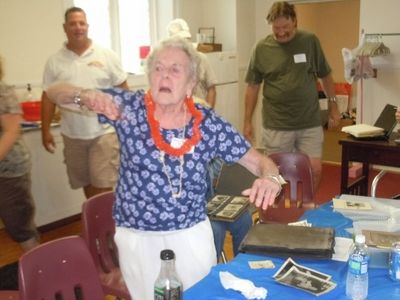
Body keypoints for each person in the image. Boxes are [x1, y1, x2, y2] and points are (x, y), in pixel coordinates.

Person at [46, 37, 283, 300]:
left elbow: (260, 162)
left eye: (174, 69)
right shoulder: (129, 109)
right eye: (158, 68)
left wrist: (271, 177)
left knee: (198, 296)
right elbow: (54, 91)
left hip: (190, 235)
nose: (164, 76)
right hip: (137, 238)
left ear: (191, 83)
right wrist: (83, 95)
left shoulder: (207, 125)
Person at [167, 18, 253, 261]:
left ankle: (241, 270)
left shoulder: (206, 129)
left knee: (243, 217)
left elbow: (247, 159)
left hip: (206, 203)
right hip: (183, 216)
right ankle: (211, 277)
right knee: (213, 229)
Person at [243, 1, 341, 191]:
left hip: (309, 120)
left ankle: (307, 205)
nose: (280, 32)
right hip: (277, 123)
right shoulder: (261, 48)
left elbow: (325, 75)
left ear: (295, 22)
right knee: (278, 172)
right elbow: (252, 86)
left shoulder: (310, 41)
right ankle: (282, 212)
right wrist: (247, 121)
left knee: (314, 169)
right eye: (276, 28)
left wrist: (333, 105)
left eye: (285, 27)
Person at [41, 6, 129, 199]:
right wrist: (45, 130)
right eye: (73, 23)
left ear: (87, 26)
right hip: (72, 135)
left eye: (82, 23)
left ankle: (104, 228)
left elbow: (123, 90)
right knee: (87, 186)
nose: (78, 27)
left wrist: (125, 124)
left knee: (103, 187)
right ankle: (97, 225)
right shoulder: (55, 61)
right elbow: (48, 97)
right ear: (65, 28)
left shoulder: (106, 55)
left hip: (104, 133)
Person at [0, 56, 39, 252]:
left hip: (9, 169)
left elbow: (11, 130)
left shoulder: (2, 90)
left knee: (19, 225)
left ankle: (41, 272)